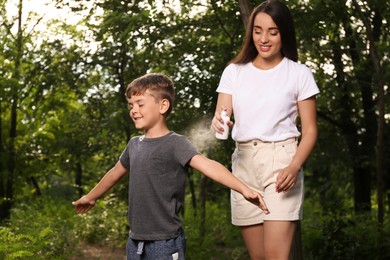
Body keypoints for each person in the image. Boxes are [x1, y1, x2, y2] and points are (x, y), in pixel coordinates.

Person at [72, 73, 269, 260]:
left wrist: (244, 188)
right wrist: (91, 196)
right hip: (135, 240)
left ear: (163, 106)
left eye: (140, 103)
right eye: (131, 105)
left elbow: (208, 166)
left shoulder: (175, 143)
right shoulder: (133, 145)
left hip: (165, 242)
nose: (133, 109)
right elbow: (114, 173)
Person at [210, 0, 319, 259]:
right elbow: (221, 123)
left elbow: (311, 130)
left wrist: (294, 166)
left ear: (284, 33)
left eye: (273, 31)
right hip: (243, 166)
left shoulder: (299, 74)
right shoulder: (234, 72)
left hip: (281, 164)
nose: (264, 38)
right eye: (258, 30)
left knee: (275, 256)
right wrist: (218, 125)